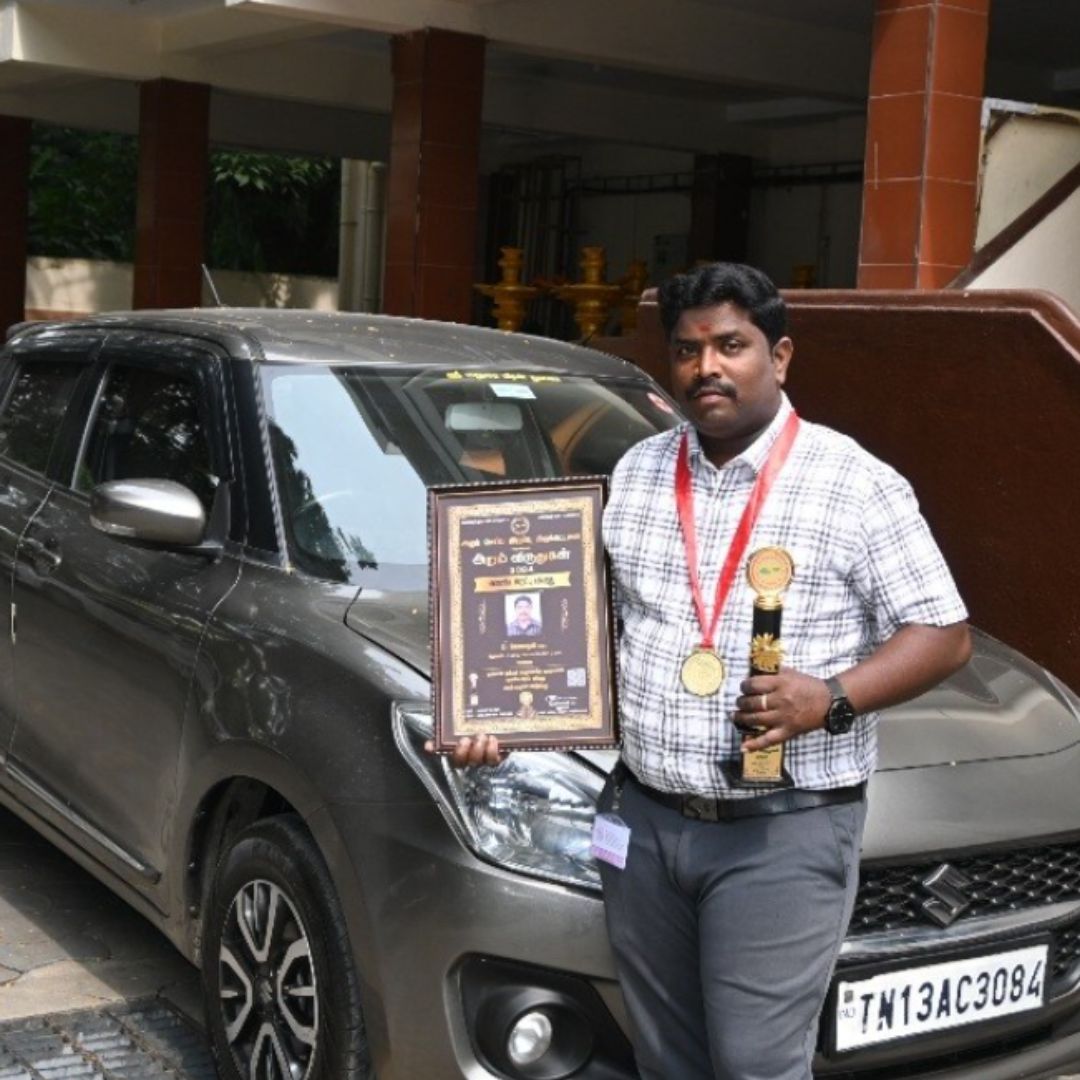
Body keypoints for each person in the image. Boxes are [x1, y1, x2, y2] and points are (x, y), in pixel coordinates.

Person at [441, 262, 971, 1080]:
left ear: (780, 355)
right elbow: (585, 635)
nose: (707, 368)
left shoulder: (854, 484)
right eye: (688, 351)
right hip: (646, 826)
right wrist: (508, 717)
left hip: (780, 832)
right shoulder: (639, 473)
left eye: (732, 345)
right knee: (668, 1060)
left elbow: (943, 633)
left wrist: (829, 698)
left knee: (754, 1064)